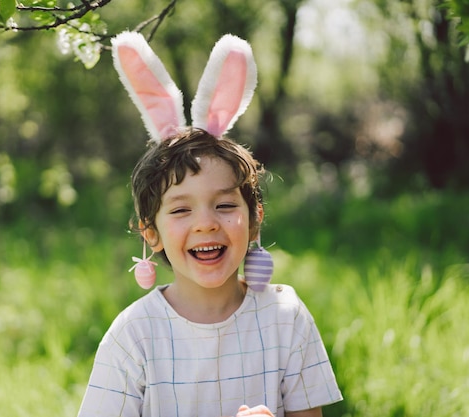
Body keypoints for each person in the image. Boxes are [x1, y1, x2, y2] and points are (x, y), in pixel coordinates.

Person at [76, 32, 342, 417]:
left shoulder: (285, 318)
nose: (206, 224)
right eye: (181, 210)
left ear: (254, 221)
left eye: (224, 205)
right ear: (151, 233)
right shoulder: (133, 336)